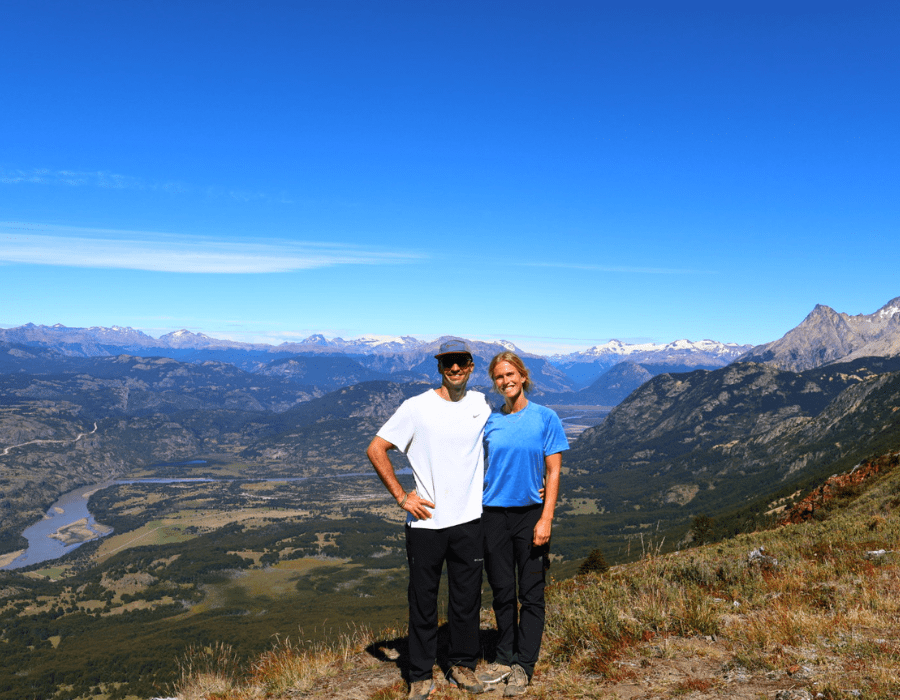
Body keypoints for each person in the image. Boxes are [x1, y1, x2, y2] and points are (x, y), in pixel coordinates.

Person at [366, 338, 491, 700]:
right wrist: (402, 497)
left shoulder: (480, 404)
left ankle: (462, 665)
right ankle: (420, 674)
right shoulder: (416, 407)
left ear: (471, 367)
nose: (454, 368)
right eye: (447, 362)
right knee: (423, 601)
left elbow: (507, 437)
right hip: (426, 525)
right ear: (439, 367)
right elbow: (376, 448)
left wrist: (540, 478)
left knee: (466, 600)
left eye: (461, 362)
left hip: (469, 520)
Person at [477, 351, 569, 696]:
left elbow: (554, 469)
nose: (506, 381)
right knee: (501, 591)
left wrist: (546, 517)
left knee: (531, 594)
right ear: (495, 382)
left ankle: (523, 665)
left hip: (531, 514)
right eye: (499, 377)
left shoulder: (546, 418)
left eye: (511, 374)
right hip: (493, 515)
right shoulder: (489, 421)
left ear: (523, 376)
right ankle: (504, 655)